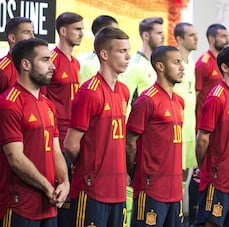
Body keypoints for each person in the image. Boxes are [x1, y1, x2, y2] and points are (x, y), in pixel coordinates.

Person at [63, 26, 130, 227]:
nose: (128, 57)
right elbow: (70, 145)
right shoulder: (90, 93)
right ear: (104, 54)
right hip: (92, 189)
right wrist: (88, 168)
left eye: (128, 51)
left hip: (117, 190)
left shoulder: (124, 91)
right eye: (122, 51)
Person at [0, 38, 69, 226]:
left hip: (48, 205)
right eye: (45, 60)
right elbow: (15, 158)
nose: (53, 66)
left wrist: (64, 182)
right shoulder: (9, 104)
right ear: (26, 64)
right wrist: (48, 187)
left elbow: (55, 150)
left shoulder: (48, 105)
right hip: (19, 206)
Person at [126, 45, 185, 226]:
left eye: (181, 62)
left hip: (174, 190)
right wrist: (136, 173)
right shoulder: (147, 100)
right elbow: (129, 143)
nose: (182, 67)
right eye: (176, 62)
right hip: (151, 188)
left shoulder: (179, 101)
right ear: (160, 66)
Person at [196, 46, 229, 227]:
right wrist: (202, 166)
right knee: (212, 223)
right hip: (219, 178)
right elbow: (203, 138)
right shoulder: (216, 97)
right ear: (225, 68)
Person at [41, 12, 83, 226]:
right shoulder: (51, 60)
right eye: (77, 29)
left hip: (74, 136)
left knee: (72, 193)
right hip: (57, 139)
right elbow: (43, 100)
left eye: (82, 29)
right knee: (58, 195)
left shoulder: (75, 62)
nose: (82, 34)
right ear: (63, 31)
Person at [173, 22, 198, 226]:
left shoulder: (191, 63)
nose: (195, 38)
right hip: (176, 128)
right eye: (191, 35)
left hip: (190, 128)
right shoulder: (174, 62)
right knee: (175, 175)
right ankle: (177, 217)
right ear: (180, 39)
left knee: (186, 174)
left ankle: (181, 215)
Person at [122, 17, 164, 115]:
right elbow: (125, 100)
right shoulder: (135, 65)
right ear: (146, 35)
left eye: (162, 33)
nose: (163, 37)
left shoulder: (158, 63)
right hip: (139, 127)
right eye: (158, 33)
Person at [79, 15, 119, 85]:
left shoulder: (118, 61)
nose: (118, 35)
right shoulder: (89, 65)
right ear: (101, 33)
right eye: (114, 31)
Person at [0, 17, 34, 93]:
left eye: (32, 32)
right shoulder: (2, 71)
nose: (33, 37)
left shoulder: (35, 66)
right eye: (27, 32)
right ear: (12, 38)